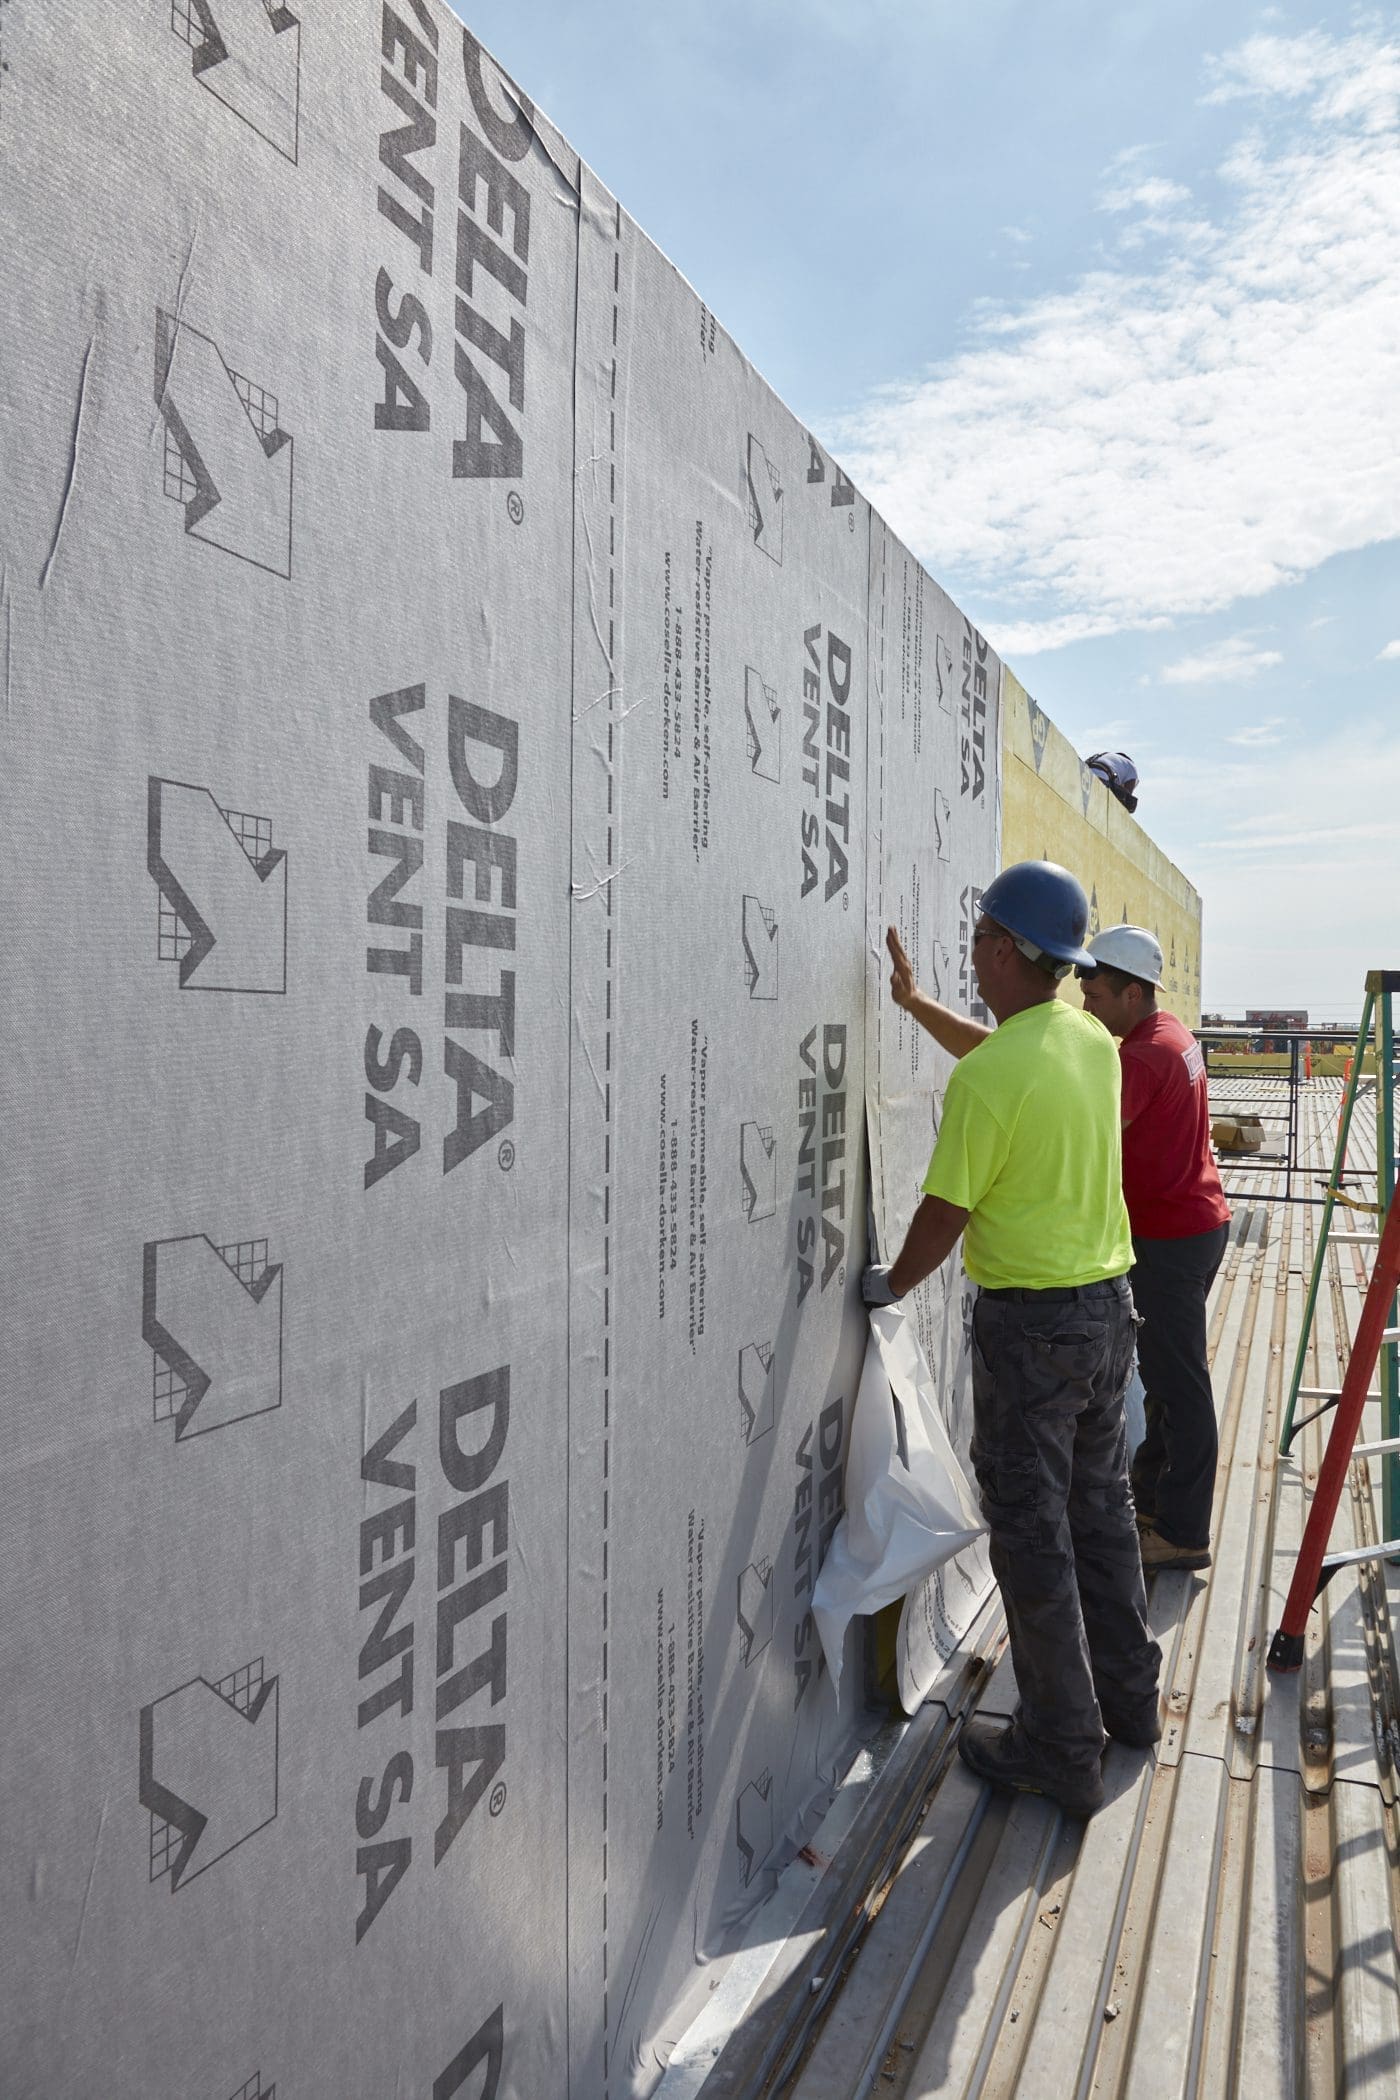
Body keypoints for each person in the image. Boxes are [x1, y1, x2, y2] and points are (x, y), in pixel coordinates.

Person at [863, 864, 1161, 1818]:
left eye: (981, 936)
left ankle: (1062, 1747)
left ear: (1002, 948)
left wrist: (886, 1287)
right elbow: (1000, 1057)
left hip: (1032, 1334)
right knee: (1100, 1510)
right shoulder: (1089, 1042)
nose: (973, 950)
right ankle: (1131, 1701)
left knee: (1032, 1540)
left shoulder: (997, 1074)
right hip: (1108, 1314)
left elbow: (944, 1213)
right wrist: (916, 1007)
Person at [1079, 926, 1231, 1572]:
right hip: (1194, 1224)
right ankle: (1155, 1501)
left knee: (1180, 1385)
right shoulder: (1171, 1034)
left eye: (1095, 995)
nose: (1086, 1006)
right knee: (1167, 1382)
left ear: (1132, 992)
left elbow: (1085, 1132)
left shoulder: (1141, 1058)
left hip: (1172, 1239)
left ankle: (1182, 1531)